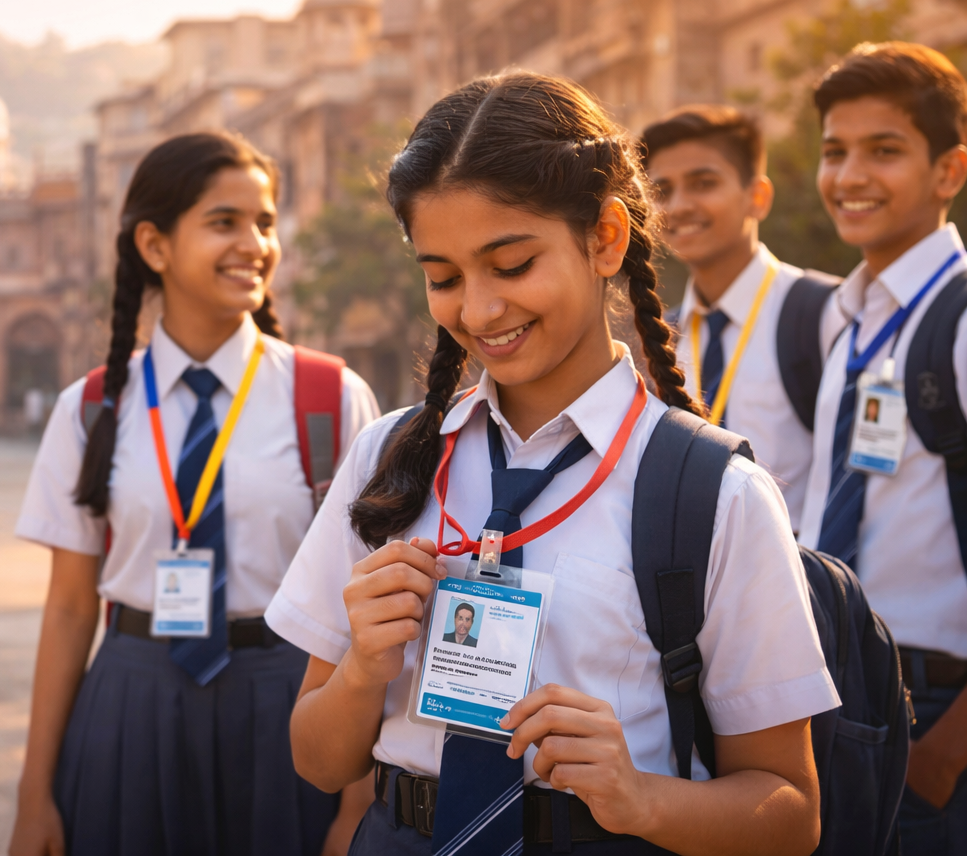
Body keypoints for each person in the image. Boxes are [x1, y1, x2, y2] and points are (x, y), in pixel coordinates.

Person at [267, 72, 839, 854]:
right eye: (442, 277)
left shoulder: (715, 494)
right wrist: (366, 666)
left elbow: (791, 810)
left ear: (605, 237)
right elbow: (317, 760)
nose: (477, 310)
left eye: (510, 265)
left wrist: (640, 798)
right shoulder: (392, 459)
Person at [8, 132, 381, 856]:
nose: (254, 244)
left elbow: (361, 604)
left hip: (289, 699)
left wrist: (358, 800)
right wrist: (33, 795)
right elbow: (68, 607)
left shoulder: (329, 397)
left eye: (265, 223)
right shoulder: (90, 409)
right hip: (132, 701)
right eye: (224, 222)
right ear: (154, 245)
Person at [795, 42, 967, 854]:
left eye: (884, 150)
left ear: (949, 171)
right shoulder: (850, 319)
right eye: (835, 152)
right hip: (843, 697)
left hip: (935, 713)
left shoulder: (960, 323)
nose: (850, 175)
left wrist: (943, 755)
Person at [642, 105, 822, 521]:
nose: (681, 205)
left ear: (757, 197)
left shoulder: (821, 310)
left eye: (703, 183)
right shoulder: (658, 334)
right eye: (663, 191)